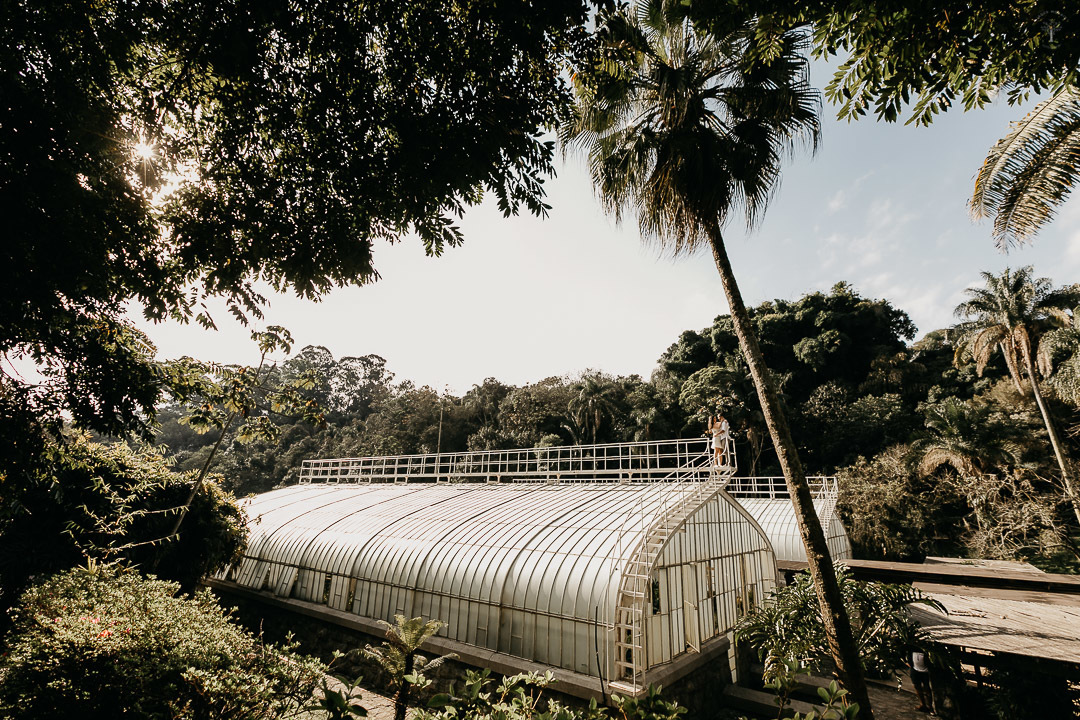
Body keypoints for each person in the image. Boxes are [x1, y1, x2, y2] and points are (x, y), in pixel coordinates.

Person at [909, 647, 934, 714]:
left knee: (927, 688)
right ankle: (922, 705)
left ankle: (930, 707)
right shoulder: (911, 646)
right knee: (917, 687)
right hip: (915, 669)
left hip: (925, 671)